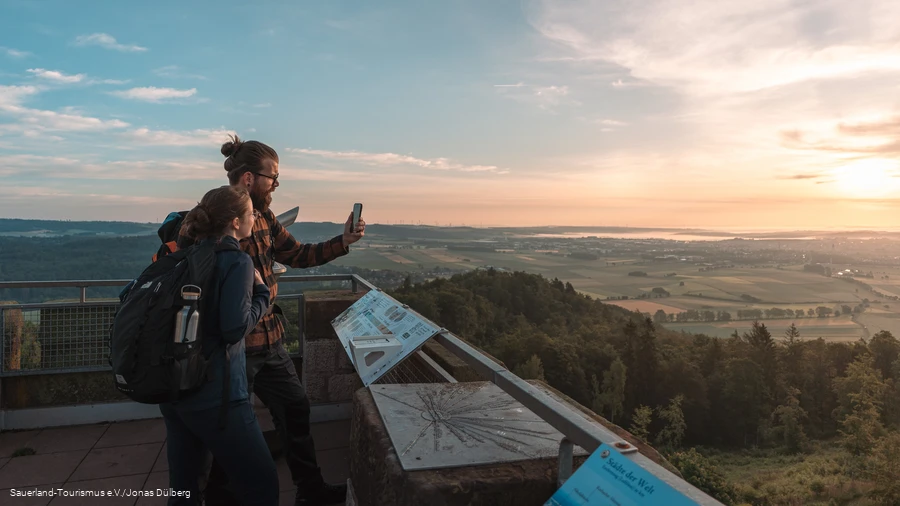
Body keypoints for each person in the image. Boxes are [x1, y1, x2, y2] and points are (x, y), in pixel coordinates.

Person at [177, 134, 366, 506]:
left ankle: (310, 492)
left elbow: (298, 254)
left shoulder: (263, 217)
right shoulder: (212, 217)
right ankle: (218, 498)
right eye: (272, 177)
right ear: (249, 178)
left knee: (295, 409)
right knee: (229, 430)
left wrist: (343, 241)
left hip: (269, 341)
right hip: (232, 349)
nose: (276, 185)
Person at [159, 185, 279, 506]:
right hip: (217, 394)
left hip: (174, 390)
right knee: (261, 483)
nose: (255, 217)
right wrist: (262, 294)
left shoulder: (182, 255)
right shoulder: (236, 261)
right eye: (251, 213)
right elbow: (234, 328)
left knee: (184, 487)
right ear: (236, 222)